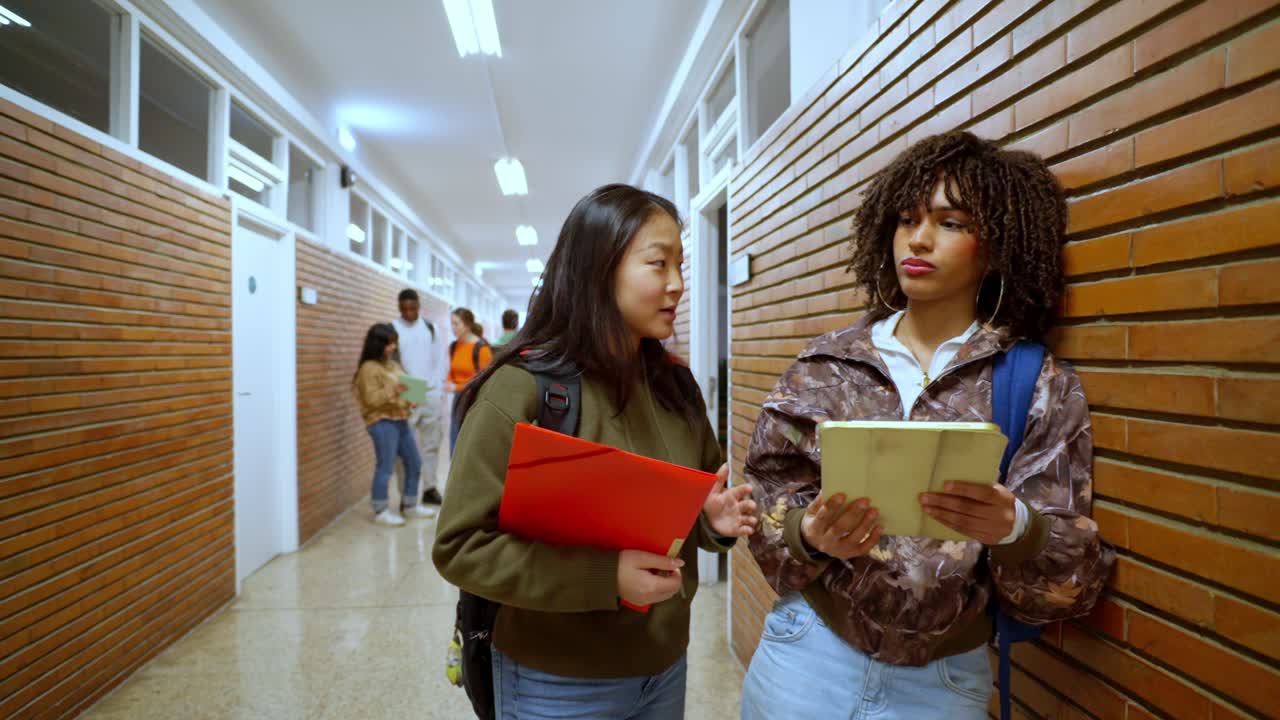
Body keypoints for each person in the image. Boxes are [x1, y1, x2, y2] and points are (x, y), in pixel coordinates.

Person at [740, 131, 1114, 719]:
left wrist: (1016, 528)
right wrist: (806, 533)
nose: (918, 239)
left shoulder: (1035, 383)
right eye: (908, 219)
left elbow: (1069, 582)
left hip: (942, 683)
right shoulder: (827, 365)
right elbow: (762, 497)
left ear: (994, 249)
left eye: (950, 223)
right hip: (808, 653)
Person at [433, 184, 758, 720]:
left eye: (680, 265)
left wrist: (711, 520)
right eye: (658, 263)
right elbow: (460, 546)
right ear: (599, 269)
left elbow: (689, 509)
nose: (677, 284)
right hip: (555, 682)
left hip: (664, 665)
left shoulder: (674, 386)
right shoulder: (524, 388)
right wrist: (605, 577)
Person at [352, 323, 437, 526]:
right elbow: (371, 400)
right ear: (377, 344)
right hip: (382, 422)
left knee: (414, 462)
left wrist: (411, 398)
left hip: (400, 419)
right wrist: (395, 391)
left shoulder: (392, 365)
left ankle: (410, 505)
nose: (393, 348)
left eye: (394, 343)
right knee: (385, 466)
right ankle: (381, 510)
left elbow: (404, 389)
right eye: (389, 344)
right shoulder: (368, 369)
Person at [392, 289, 446, 510]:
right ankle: (406, 494)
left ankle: (429, 488)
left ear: (418, 306)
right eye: (404, 309)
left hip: (431, 392)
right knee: (404, 448)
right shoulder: (393, 329)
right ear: (399, 307)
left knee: (431, 445)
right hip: (408, 393)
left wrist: (438, 388)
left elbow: (439, 360)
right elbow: (392, 364)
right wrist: (406, 391)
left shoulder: (431, 329)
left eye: (412, 308)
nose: (409, 313)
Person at [446, 307, 492, 452]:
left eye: (456, 324)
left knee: (470, 443)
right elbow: (452, 370)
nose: (453, 328)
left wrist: (457, 387)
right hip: (458, 400)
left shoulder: (482, 349)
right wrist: (449, 382)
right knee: (455, 440)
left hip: (474, 400)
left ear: (467, 325)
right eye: (451, 323)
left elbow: (484, 381)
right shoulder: (454, 346)